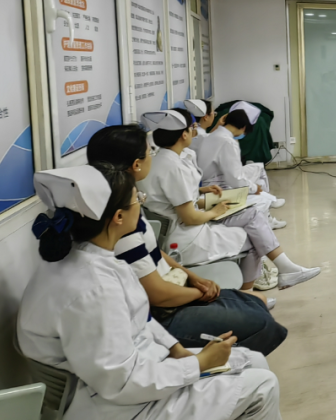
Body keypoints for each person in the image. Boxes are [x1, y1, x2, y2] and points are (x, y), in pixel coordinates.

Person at [18, 164, 282, 420]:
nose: (141, 204)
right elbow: (121, 382)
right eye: (138, 199)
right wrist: (198, 364)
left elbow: (140, 318)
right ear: (118, 217)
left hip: (134, 373)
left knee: (253, 360)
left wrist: (177, 349)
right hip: (119, 403)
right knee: (262, 385)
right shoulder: (92, 288)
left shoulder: (89, 258)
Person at [87, 125, 287, 354]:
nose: (153, 156)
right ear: (136, 164)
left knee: (258, 301)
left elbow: (153, 251)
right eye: (149, 152)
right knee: (261, 320)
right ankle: (231, 360)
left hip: (171, 282)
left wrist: (193, 278)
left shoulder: (125, 204)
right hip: (163, 311)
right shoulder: (121, 222)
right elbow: (158, 295)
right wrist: (201, 292)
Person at [139, 110, 320, 290]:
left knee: (252, 216)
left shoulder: (159, 161)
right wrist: (214, 211)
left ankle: (280, 274)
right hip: (187, 238)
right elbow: (190, 217)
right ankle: (252, 295)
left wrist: (203, 195)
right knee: (254, 236)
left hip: (179, 229)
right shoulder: (174, 167)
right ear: (184, 134)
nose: (195, 131)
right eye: (192, 128)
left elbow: (175, 200)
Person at [192, 106, 286, 229]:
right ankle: (265, 222)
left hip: (212, 186)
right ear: (243, 128)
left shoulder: (211, 136)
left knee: (259, 189)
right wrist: (254, 188)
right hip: (217, 190)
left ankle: (267, 213)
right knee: (262, 200)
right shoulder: (228, 142)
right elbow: (235, 179)